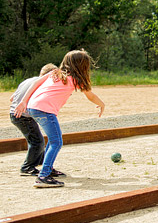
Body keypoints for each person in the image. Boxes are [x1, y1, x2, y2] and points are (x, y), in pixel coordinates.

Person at [13, 49, 105, 188]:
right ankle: (43, 176)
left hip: (33, 107)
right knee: (57, 142)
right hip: (44, 110)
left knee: (53, 140)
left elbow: (35, 84)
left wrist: (24, 101)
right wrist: (101, 104)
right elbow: (90, 95)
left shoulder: (53, 73)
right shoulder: (76, 79)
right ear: (82, 66)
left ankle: (47, 170)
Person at [9, 64, 57, 177]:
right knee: (37, 142)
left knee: (37, 140)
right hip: (23, 116)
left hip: (16, 114)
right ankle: (27, 167)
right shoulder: (42, 84)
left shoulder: (29, 80)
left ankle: (41, 163)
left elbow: (12, 98)